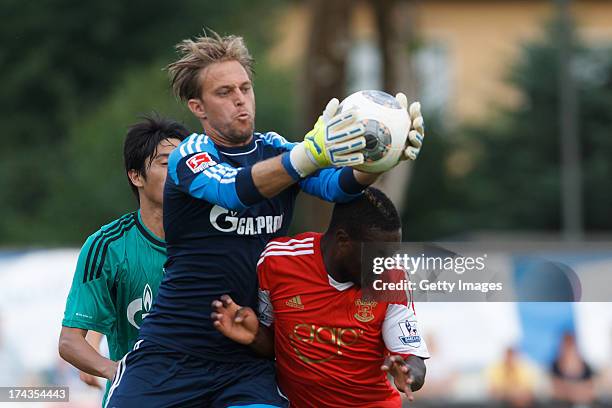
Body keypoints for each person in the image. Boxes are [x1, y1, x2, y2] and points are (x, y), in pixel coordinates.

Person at [106, 32, 425, 407]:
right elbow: (233, 191)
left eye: (245, 87)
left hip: (246, 357)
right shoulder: (190, 157)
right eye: (224, 92)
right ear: (198, 107)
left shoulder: (277, 149)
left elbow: (340, 187)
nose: (240, 99)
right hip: (173, 349)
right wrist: (306, 157)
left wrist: (381, 157)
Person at [212, 188, 429, 407]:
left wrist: (409, 373)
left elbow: (413, 359)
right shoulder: (278, 263)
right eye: (377, 256)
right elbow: (276, 346)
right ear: (343, 240)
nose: (384, 265)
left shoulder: (392, 279)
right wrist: (255, 335)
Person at [58, 116, 189, 405]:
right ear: (136, 176)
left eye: (186, 163)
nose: (181, 172)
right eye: (168, 164)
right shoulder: (107, 246)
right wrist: (114, 369)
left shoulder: (213, 240)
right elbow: (69, 341)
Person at [550, 332, 596, 407]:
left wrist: (567, 389)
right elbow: (555, 390)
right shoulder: (555, 366)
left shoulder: (585, 366)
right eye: (566, 345)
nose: (569, 349)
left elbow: (591, 391)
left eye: (571, 345)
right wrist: (579, 390)